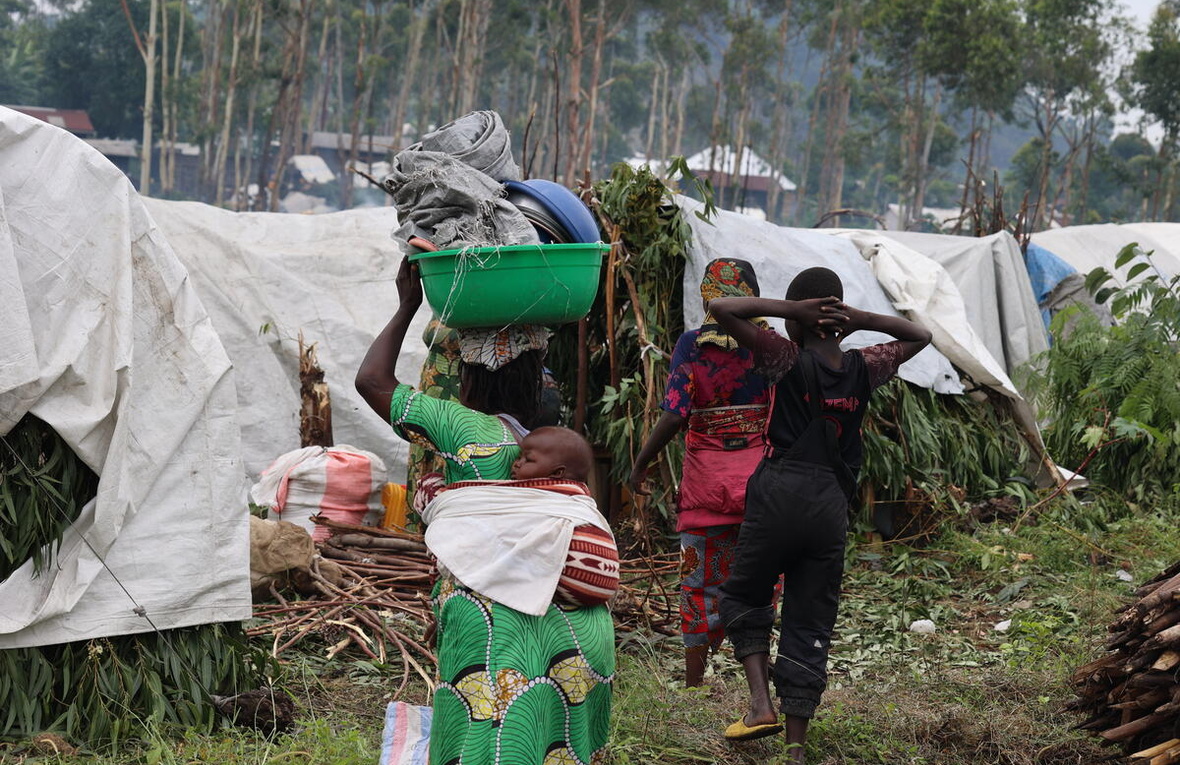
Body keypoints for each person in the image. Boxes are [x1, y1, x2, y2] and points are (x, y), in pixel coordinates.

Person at [355, 256, 613, 765]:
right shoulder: (560, 450)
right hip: (581, 632)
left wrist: (407, 304)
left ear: (467, 381)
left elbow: (372, 380)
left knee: (490, 749)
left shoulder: (462, 428)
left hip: (497, 630)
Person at [709, 266, 931, 762]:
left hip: (779, 492)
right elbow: (921, 334)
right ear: (839, 320)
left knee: (744, 594)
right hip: (830, 504)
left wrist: (788, 311)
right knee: (811, 617)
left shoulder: (783, 356)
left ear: (798, 320)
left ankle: (760, 705)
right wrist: (859, 317)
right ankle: (796, 749)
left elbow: (721, 309)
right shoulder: (864, 366)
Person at [628, 258, 771, 687]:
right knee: (759, 587)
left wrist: (640, 465)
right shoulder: (774, 346)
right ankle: (759, 689)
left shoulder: (692, 345)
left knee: (697, 587)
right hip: (762, 488)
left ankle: (694, 683)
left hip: (705, 488)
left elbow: (674, 415)